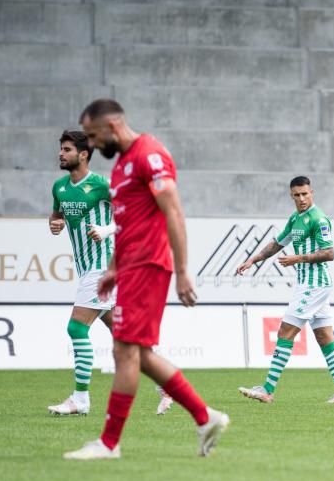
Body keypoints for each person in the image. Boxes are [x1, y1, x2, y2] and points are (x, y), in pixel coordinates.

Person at [64, 99, 229, 460]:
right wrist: (112, 269)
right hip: (130, 268)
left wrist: (182, 271)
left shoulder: (149, 155)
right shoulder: (122, 166)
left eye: (93, 135)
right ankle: (206, 418)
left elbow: (174, 211)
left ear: (112, 126)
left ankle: (109, 443)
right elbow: (126, 225)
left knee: (125, 351)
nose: (92, 144)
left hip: (149, 265)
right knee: (138, 353)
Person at [236, 176, 334, 404]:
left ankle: (267, 389)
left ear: (312, 193)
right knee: (324, 336)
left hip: (314, 283)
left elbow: (329, 253)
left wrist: (297, 258)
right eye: (297, 195)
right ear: (291, 196)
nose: (301, 199)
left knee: (285, 332)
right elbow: (277, 244)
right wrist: (253, 260)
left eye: (305, 194)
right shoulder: (295, 218)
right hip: (312, 283)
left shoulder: (318, 219)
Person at [46, 130, 116, 416]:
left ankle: (80, 399)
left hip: (103, 266)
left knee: (76, 328)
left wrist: (106, 229)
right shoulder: (60, 187)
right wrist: (55, 224)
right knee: (124, 331)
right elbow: (57, 217)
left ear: (83, 155)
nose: (61, 154)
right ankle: (167, 386)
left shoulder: (101, 185)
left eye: (67, 150)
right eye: (61, 149)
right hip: (86, 267)